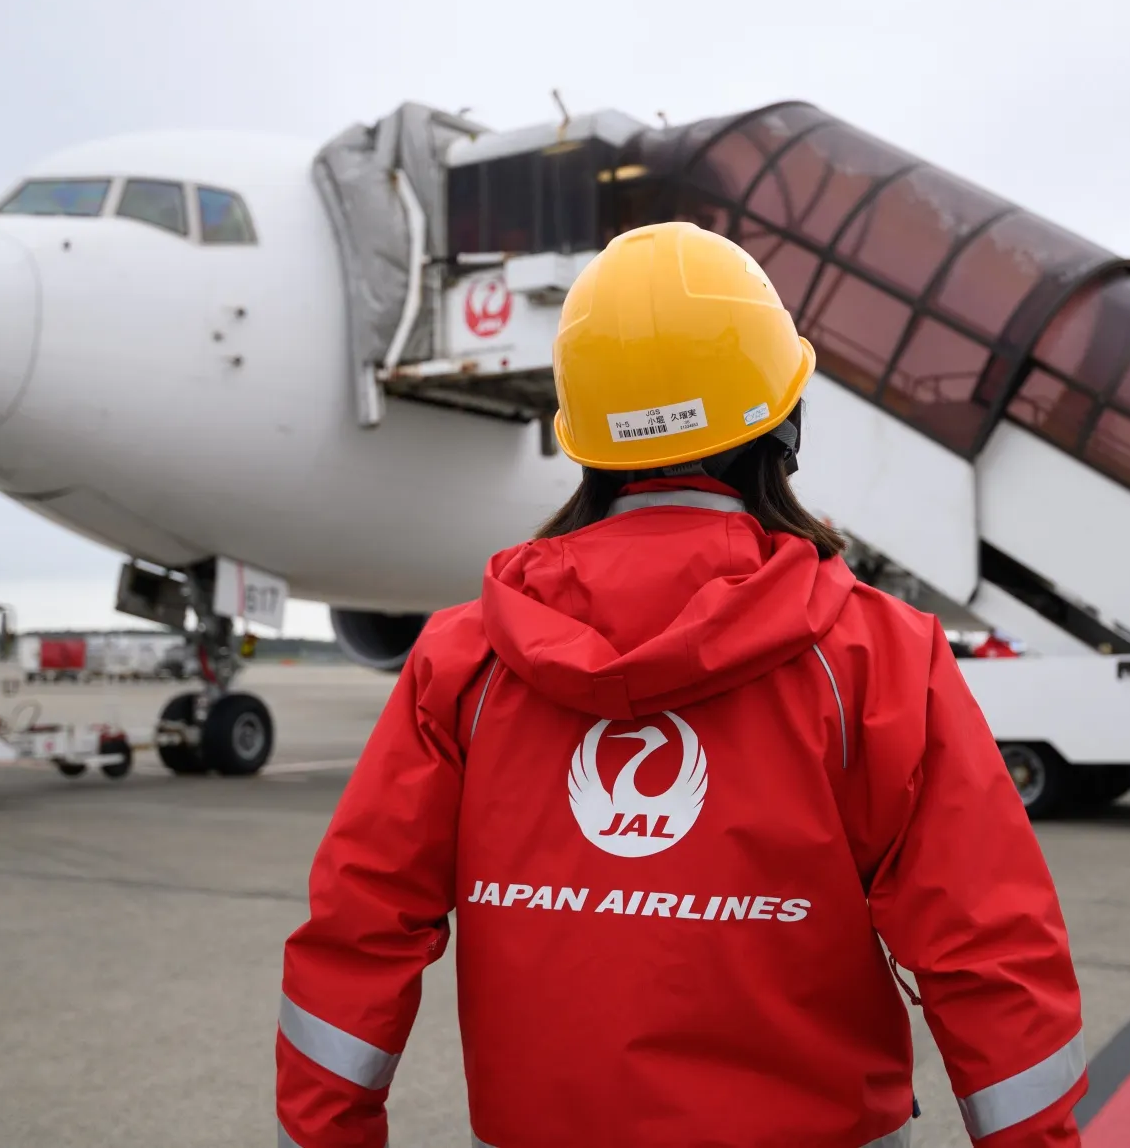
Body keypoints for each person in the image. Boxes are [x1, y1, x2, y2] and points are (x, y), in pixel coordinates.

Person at [278, 222, 1087, 1147]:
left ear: (585, 435)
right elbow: (990, 955)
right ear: (781, 423)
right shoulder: (877, 656)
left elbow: (358, 935)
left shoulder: (465, 660)